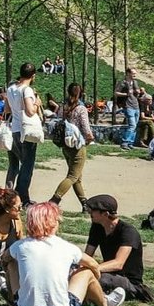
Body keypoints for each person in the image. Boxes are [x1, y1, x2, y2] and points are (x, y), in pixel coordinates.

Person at [1, 201, 125, 306]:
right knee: (86, 272)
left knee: (11, 264)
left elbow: (5, 259)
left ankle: (14, 298)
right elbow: (93, 264)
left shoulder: (20, 246)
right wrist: (93, 283)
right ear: (53, 223)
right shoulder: (67, 248)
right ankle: (105, 304)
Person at [82, 195, 154, 302]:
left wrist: (92, 268)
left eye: (92, 210)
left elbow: (118, 263)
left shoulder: (128, 232)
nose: (89, 213)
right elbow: (87, 256)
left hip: (128, 281)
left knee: (98, 279)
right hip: (109, 274)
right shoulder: (97, 227)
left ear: (105, 214)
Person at [48, 83, 94, 211]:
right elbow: (85, 127)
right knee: (73, 177)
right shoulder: (81, 108)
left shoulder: (64, 106)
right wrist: (90, 138)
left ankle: (85, 204)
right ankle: (54, 200)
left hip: (66, 145)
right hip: (77, 146)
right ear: (81, 93)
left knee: (76, 177)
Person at [4, 63, 42, 204]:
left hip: (14, 129)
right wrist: (37, 103)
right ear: (33, 76)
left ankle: (12, 193)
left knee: (16, 163)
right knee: (27, 165)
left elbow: (7, 110)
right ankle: (22, 197)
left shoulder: (11, 89)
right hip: (26, 131)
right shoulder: (27, 90)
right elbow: (30, 111)